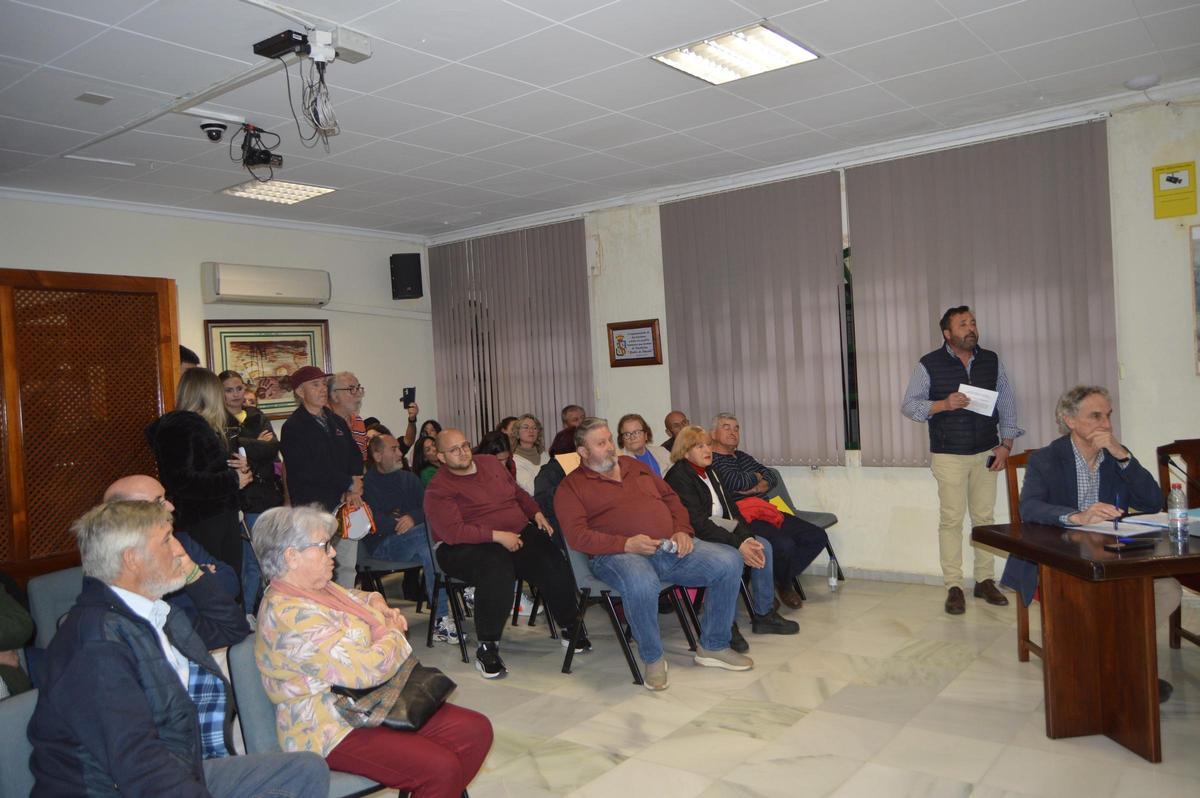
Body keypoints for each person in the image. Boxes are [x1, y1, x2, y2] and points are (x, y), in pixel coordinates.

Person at [29, 500, 329, 797]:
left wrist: (194, 575)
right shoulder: (96, 645)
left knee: (305, 769)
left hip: (179, 768)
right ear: (133, 559)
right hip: (116, 788)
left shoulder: (155, 615)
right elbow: (139, 766)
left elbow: (231, 628)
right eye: (166, 540)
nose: (178, 549)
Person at [252, 506, 492, 797]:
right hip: (328, 724)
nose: (332, 552)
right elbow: (366, 670)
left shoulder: (318, 589)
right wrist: (393, 633)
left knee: (475, 731)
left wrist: (376, 601)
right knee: (440, 769)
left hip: (370, 700)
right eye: (324, 546)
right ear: (292, 556)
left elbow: (355, 598)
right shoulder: (289, 615)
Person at [555, 417, 753, 691]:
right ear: (583, 451)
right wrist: (627, 544)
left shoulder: (633, 466)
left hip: (666, 546)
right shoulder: (571, 487)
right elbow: (578, 536)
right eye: (601, 443)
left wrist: (682, 530)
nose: (611, 447)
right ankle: (653, 658)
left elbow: (672, 499)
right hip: (615, 555)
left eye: (610, 439)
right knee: (642, 580)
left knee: (729, 561)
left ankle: (713, 646)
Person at [423, 429, 584, 679]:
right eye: (454, 450)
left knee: (549, 555)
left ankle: (570, 624)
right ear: (441, 457)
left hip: (512, 533)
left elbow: (518, 493)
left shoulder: (489, 463)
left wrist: (536, 513)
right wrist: (497, 536)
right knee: (496, 566)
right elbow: (453, 532)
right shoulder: (438, 488)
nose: (463, 452)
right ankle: (487, 647)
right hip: (460, 547)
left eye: (465, 445)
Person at [901, 305, 1022, 615]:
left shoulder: (991, 360)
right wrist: (943, 404)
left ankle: (984, 581)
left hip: (987, 451)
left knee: (985, 519)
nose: (971, 328)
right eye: (963, 324)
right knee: (951, 520)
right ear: (947, 333)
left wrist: (1006, 444)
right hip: (949, 454)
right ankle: (954, 586)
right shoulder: (929, 363)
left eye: (973, 323)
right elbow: (910, 406)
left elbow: (1007, 403)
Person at [663, 425, 798, 651]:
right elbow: (698, 523)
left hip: (720, 528)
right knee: (732, 557)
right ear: (685, 452)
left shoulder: (711, 471)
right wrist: (737, 544)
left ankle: (764, 614)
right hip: (696, 535)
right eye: (699, 446)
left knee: (762, 545)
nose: (708, 450)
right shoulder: (679, 477)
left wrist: (746, 538)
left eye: (708, 445)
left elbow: (732, 511)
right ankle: (728, 624)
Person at [104, 474, 248, 648]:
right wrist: (200, 578)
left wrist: (190, 578)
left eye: (166, 498)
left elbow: (231, 581)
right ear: (127, 514)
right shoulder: (116, 569)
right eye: (158, 501)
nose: (171, 507)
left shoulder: (180, 540)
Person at [709, 412, 830, 609]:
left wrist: (755, 486)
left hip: (765, 509)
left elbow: (771, 476)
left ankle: (778, 581)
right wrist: (757, 478)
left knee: (816, 536)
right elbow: (735, 482)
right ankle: (780, 586)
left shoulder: (743, 457)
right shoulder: (711, 460)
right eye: (726, 427)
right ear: (713, 433)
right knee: (783, 544)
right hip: (741, 515)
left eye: (736, 428)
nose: (733, 432)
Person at [147, 367, 251, 581]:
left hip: (214, 518)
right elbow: (182, 481)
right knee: (219, 583)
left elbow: (205, 468)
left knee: (227, 580)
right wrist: (233, 480)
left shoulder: (196, 426)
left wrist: (235, 468)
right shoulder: (184, 427)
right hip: (205, 522)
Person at [362, 434, 457, 644]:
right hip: (382, 545)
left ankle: (440, 619)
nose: (400, 453)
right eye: (394, 449)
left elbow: (428, 509)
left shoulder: (409, 479)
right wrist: (403, 521)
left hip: (415, 540)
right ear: (377, 455)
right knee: (431, 534)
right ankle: (463, 586)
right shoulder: (366, 485)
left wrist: (412, 518)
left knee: (428, 548)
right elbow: (375, 522)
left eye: (399, 448)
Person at [220, 370, 283, 608]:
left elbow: (272, 449)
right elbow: (229, 452)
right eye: (229, 390)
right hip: (239, 497)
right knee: (248, 561)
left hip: (266, 494)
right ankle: (246, 610)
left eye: (239, 388)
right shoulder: (219, 420)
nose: (236, 394)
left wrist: (248, 448)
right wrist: (257, 445)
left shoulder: (257, 415)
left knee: (267, 558)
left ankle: (261, 608)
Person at [280, 366, 363, 512]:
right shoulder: (293, 427)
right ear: (300, 392)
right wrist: (348, 483)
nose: (323, 389)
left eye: (324, 384)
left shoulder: (337, 421)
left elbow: (355, 455)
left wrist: (352, 488)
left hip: (343, 501)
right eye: (315, 385)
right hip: (312, 507)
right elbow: (308, 469)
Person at [327, 371, 369, 458]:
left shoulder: (358, 421)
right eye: (351, 389)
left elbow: (362, 460)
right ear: (334, 395)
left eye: (358, 388)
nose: (358, 394)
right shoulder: (324, 423)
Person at [617, 413, 671, 477]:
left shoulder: (662, 452)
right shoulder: (618, 461)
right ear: (622, 438)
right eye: (627, 434)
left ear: (646, 435)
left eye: (636, 432)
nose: (632, 437)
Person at [509, 413, 549, 495]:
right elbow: (532, 489)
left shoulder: (545, 455)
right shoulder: (514, 460)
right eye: (526, 427)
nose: (531, 431)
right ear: (517, 432)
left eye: (534, 428)